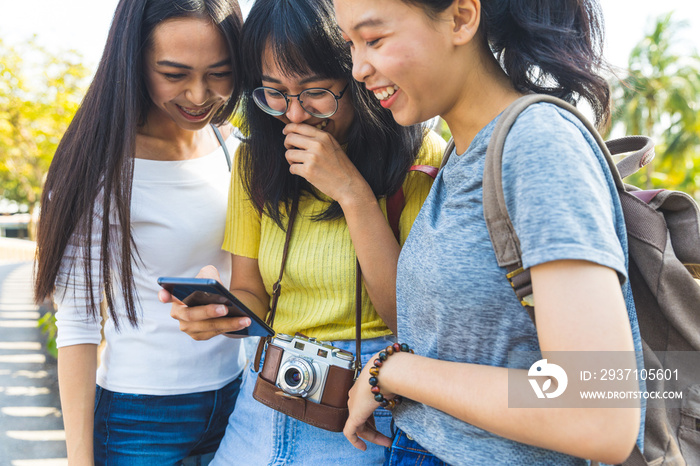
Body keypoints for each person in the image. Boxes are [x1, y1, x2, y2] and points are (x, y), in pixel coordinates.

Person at [335, 0, 645, 465]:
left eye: (375, 39)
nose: (358, 68)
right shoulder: (464, 155)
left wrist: (394, 370)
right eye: (352, 45)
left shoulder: (538, 145)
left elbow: (599, 412)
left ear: (461, 18)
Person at [163, 0, 445, 463]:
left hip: (362, 407)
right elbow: (253, 291)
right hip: (267, 395)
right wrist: (220, 314)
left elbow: (414, 321)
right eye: (274, 92)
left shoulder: (421, 158)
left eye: (315, 91)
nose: (294, 115)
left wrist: (351, 191)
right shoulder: (255, 161)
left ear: (356, 72)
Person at [33, 0, 245, 463]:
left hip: (240, 400)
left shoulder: (235, 146)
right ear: (133, 63)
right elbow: (77, 325)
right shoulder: (96, 169)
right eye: (174, 74)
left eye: (219, 73)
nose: (198, 95)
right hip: (141, 418)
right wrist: (79, 459)